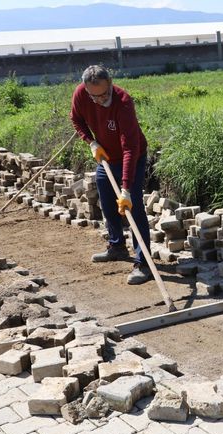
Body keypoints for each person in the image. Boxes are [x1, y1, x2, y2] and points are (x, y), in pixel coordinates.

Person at [70, 65, 152, 285]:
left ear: (111, 84)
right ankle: (117, 246)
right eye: (93, 96)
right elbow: (76, 119)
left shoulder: (123, 103)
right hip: (105, 156)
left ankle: (144, 263)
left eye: (104, 94)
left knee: (133, 208)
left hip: (131, 156)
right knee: (106, 201)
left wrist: (126, 188)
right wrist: (92, 142)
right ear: (86, 90)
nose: (99, 100)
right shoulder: (81, 94)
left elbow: (130, 149)